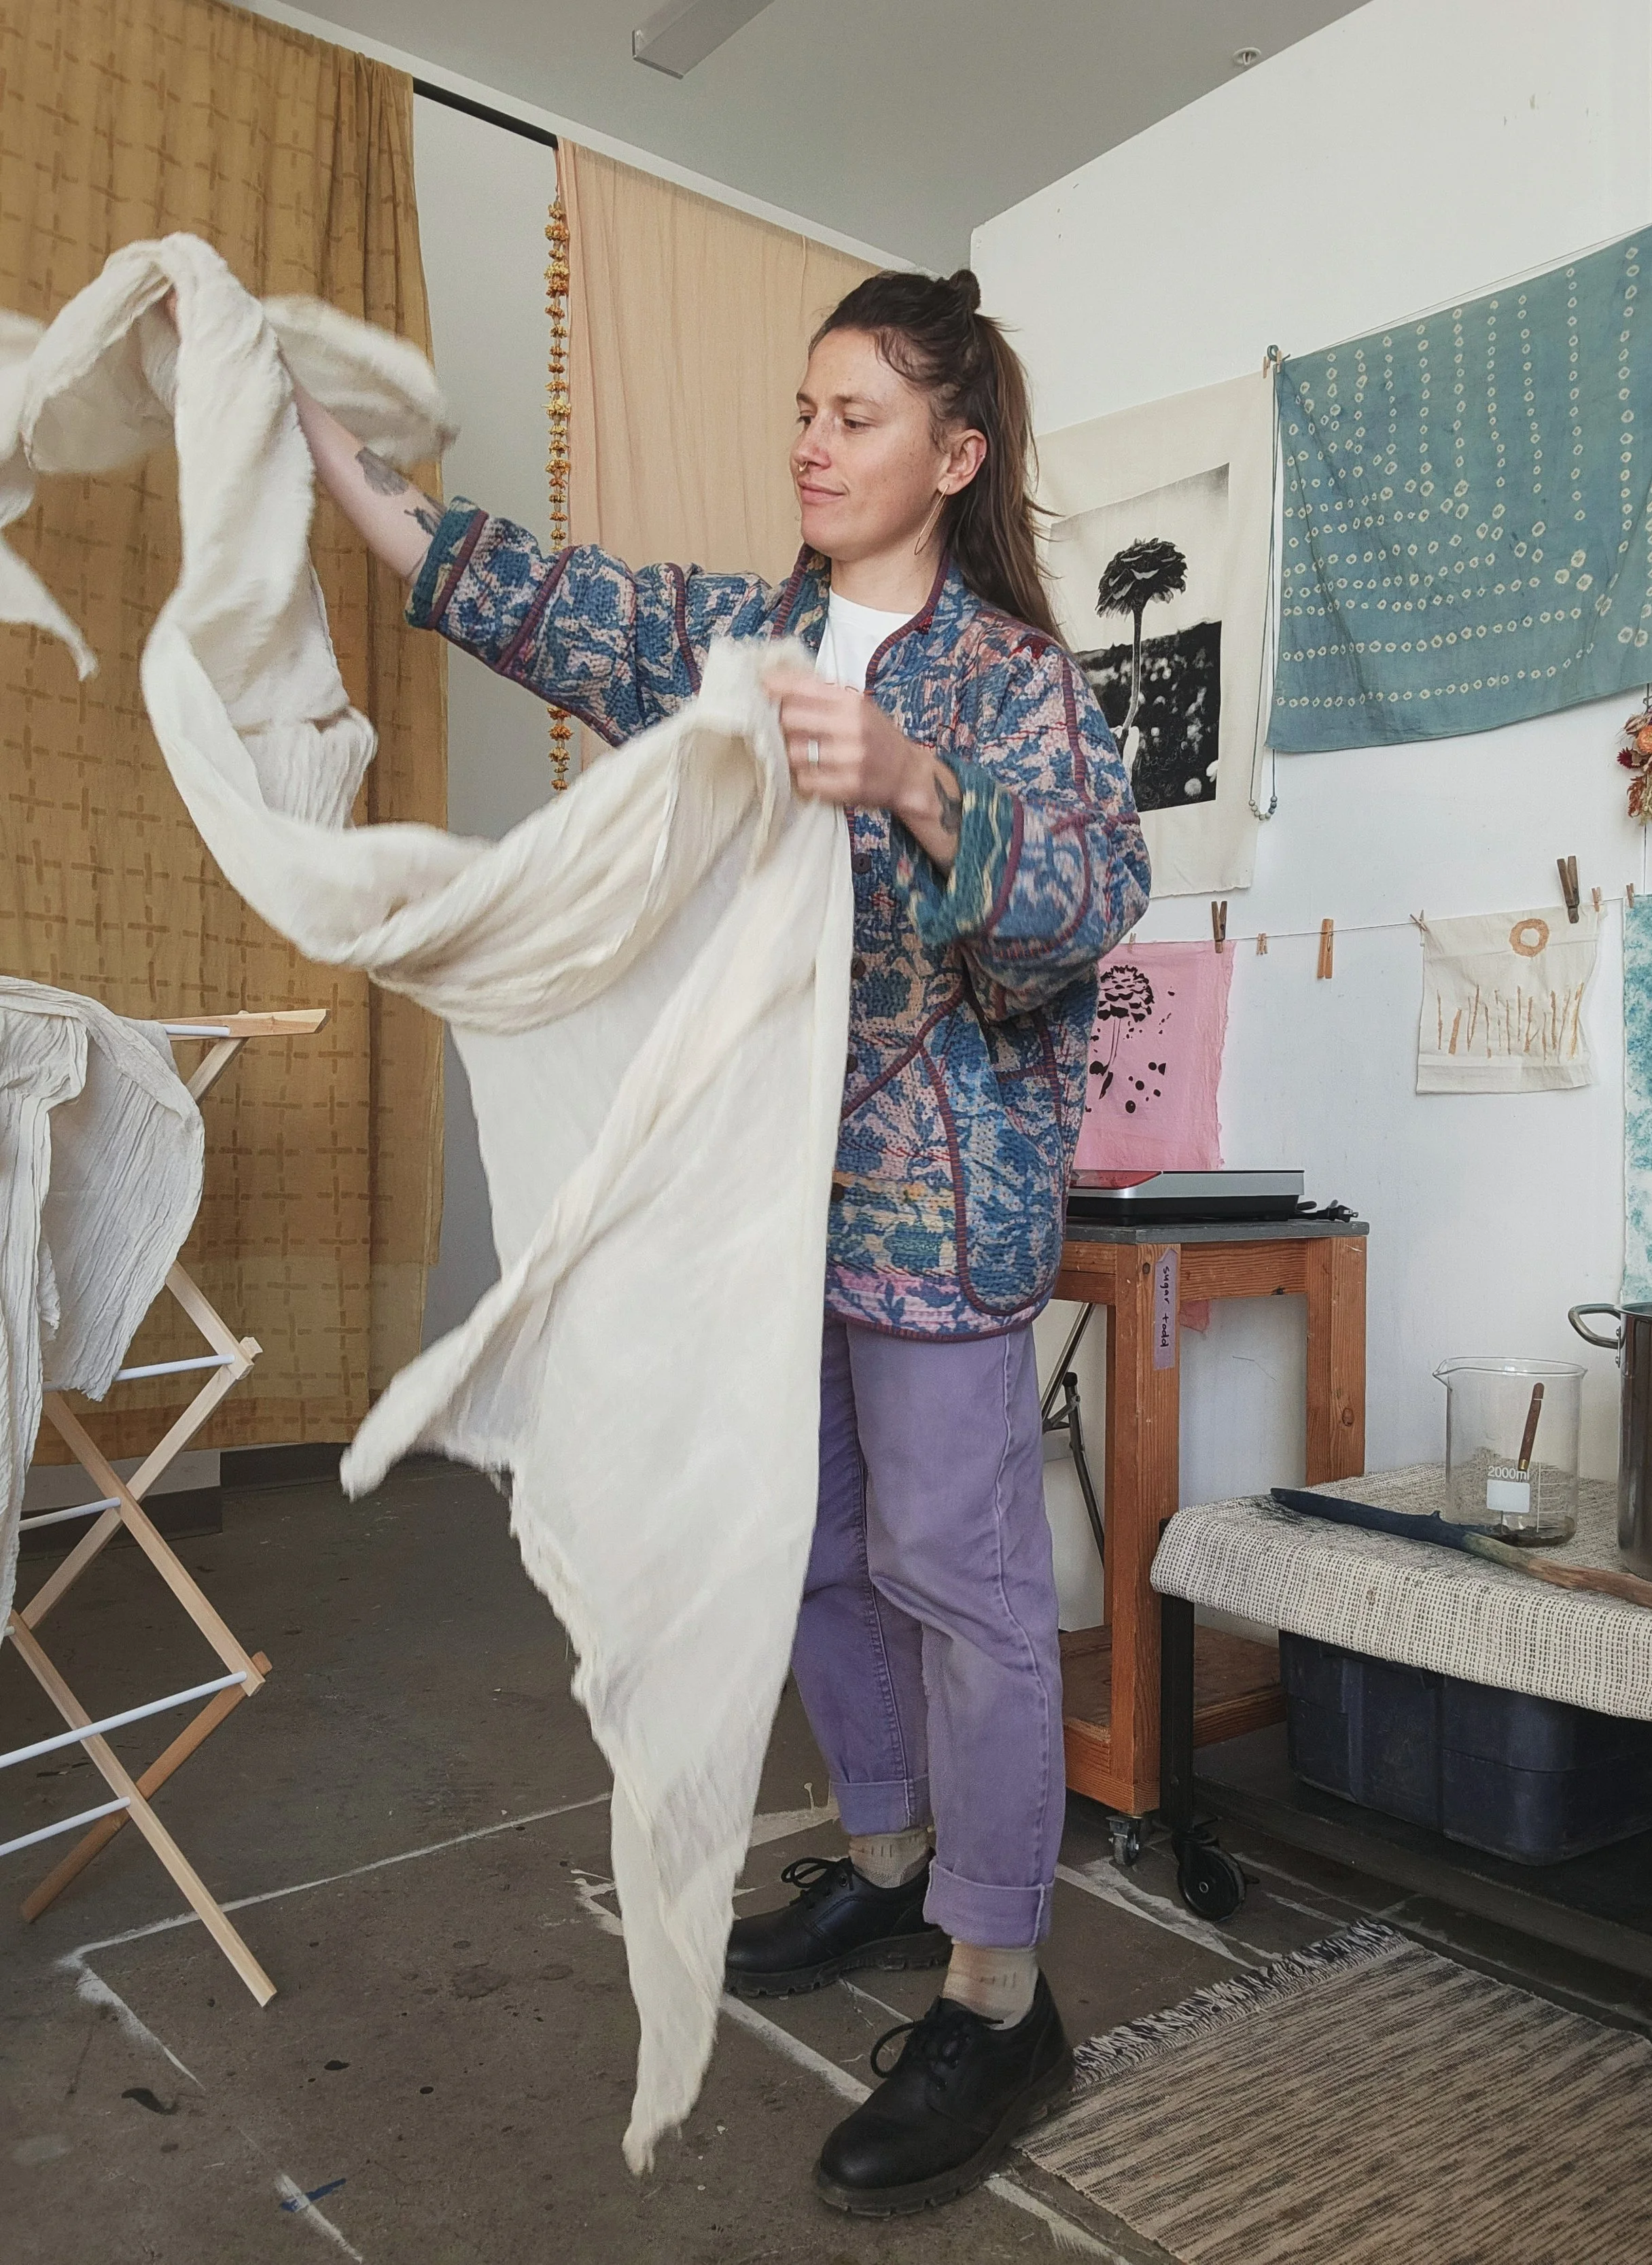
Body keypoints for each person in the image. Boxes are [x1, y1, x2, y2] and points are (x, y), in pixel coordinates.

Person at [287, 266, 1149, 2215]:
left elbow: (1081, 911)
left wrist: (917, 783)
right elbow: (520, 592)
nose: (812, 442)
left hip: (938, 1209)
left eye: (855, 415)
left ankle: (999, 1989)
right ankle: (886, 1855)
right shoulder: (727, 642)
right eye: (803, 409)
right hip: (764, 1203)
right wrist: (335, 463)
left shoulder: (1011, 679)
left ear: (954, 454)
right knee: (810, 1549)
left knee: (956, 1573)